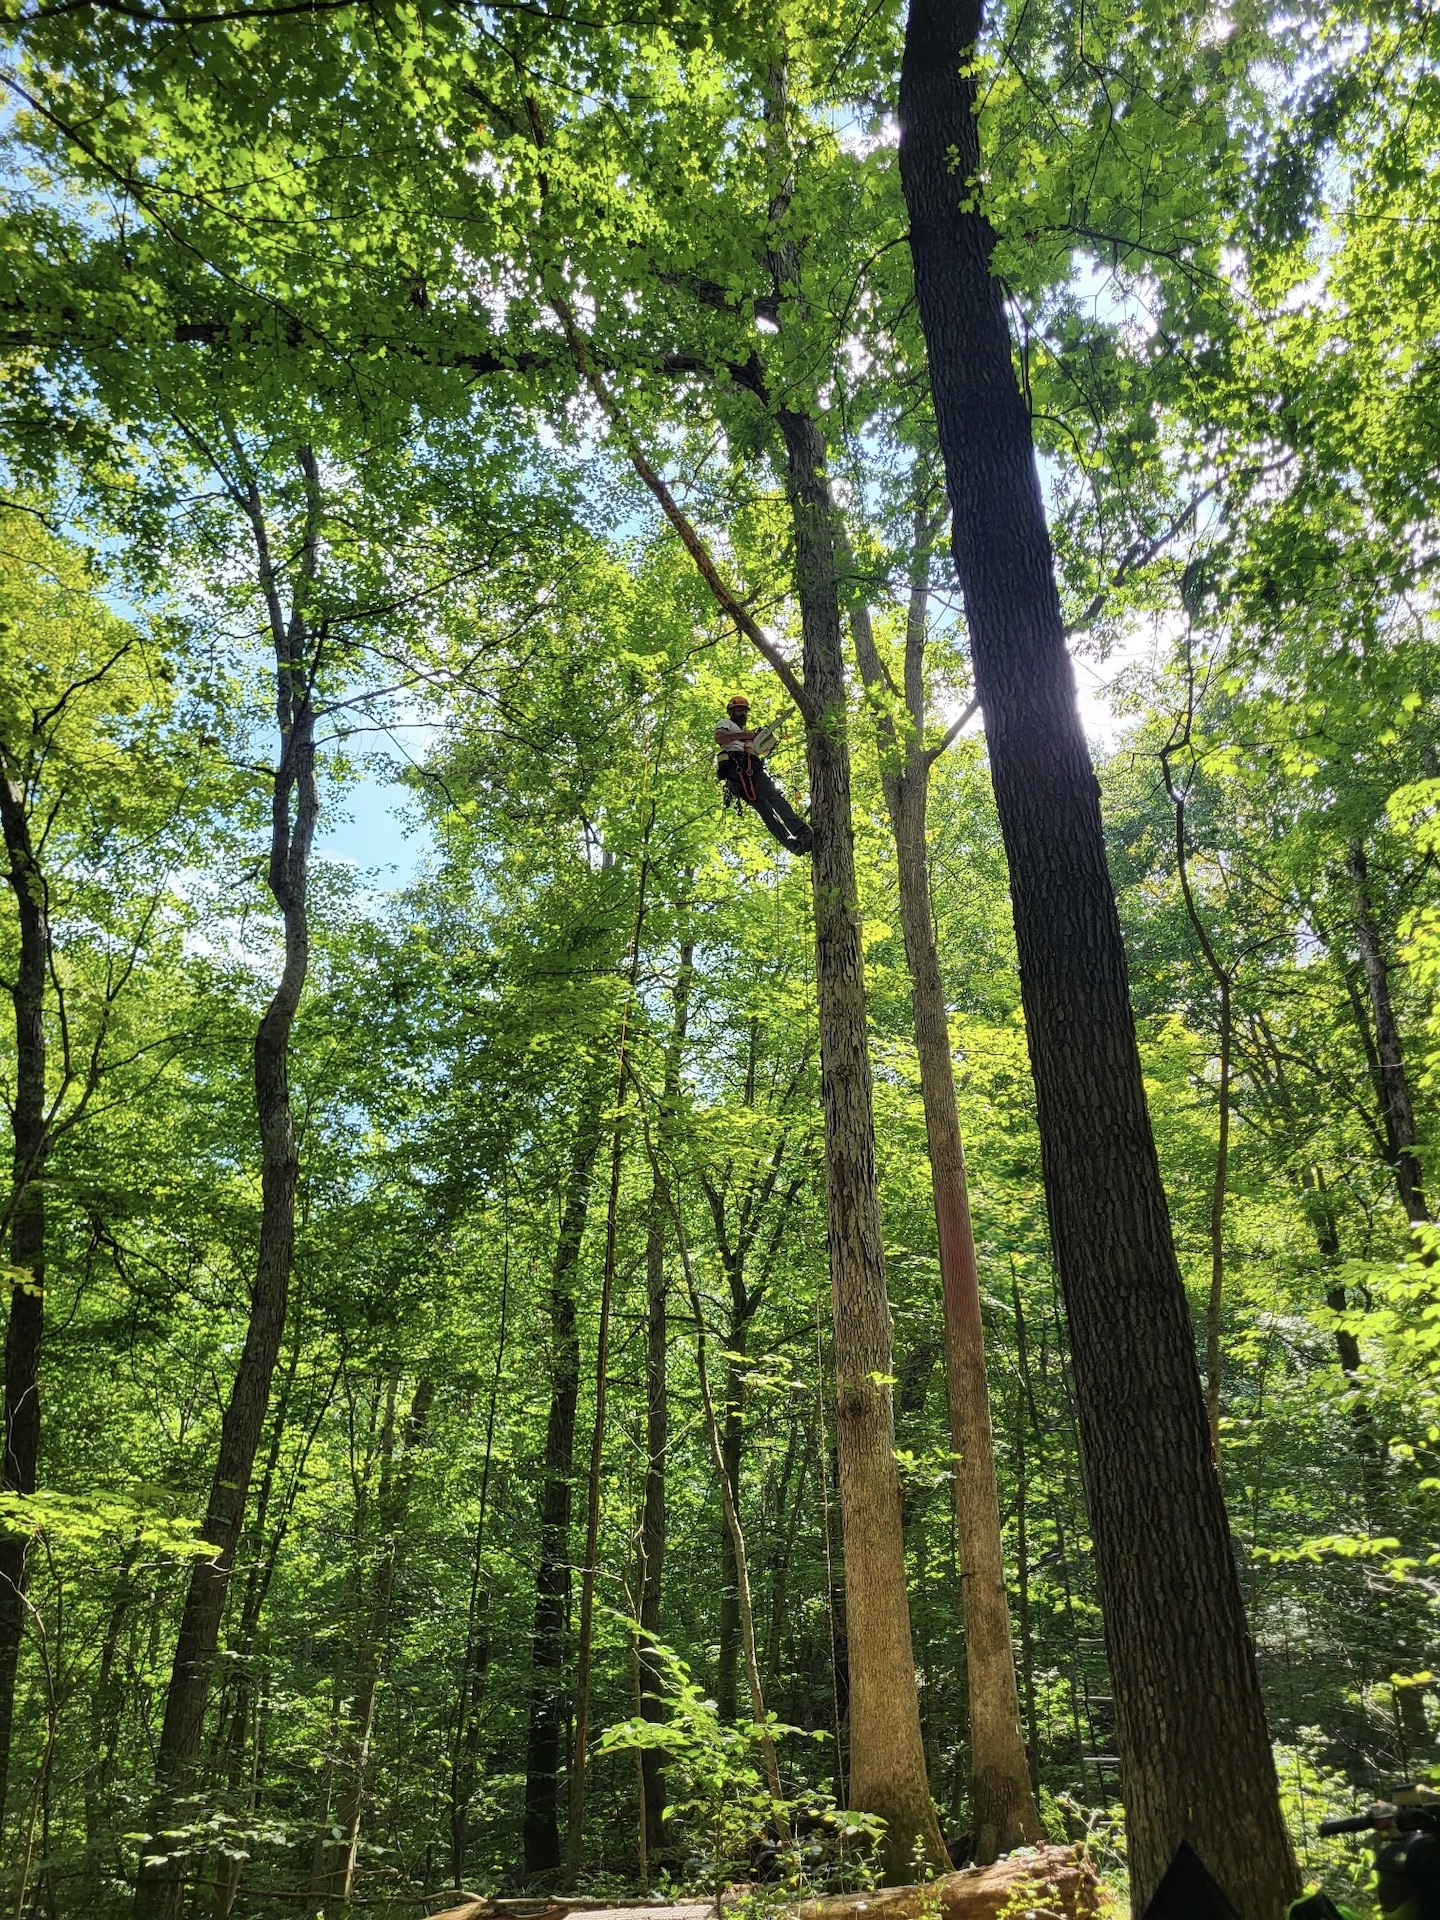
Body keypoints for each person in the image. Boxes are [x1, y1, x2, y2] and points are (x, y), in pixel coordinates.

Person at [715, 695, 813, 855]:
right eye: (740, 711)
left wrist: (763, 743)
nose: (743, 715)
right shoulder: (726, 724)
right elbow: (719, 737)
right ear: (731, 711)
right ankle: (802, 831)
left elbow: (761, 751)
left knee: (767, 812)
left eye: (745, 712)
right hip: (741, 770)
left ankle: (794, 846)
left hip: (746, 773)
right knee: (774, 797)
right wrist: (745, 735)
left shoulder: (742, 735)